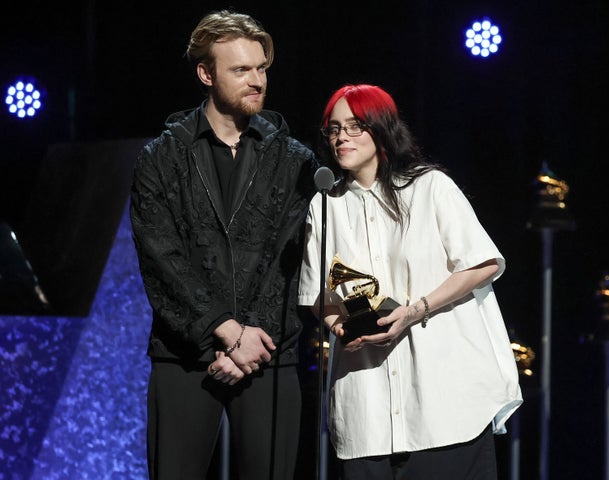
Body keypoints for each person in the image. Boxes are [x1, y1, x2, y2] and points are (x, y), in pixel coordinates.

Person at [298, 84, 522, 479]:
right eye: (333, 129)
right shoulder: (325, 204)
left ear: (382, 130)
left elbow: (483, 263)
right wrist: (340, 325)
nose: (341, 137)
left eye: (354, 126)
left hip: (445, 405)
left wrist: (415, 310)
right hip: (366, 411)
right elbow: (319, 293)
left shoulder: (430, 187)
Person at [130, 10, 318, 480]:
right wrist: (225, 331)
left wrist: (251, 340)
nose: (257, 81)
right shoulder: (162, 156)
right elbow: (160, 256)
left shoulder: (295, 160)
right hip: (186, 354)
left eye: (261, 69)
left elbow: (293, 263)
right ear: (206, 73)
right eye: (241, 70)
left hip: (268, 351)